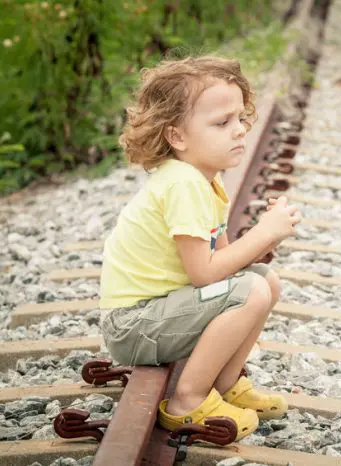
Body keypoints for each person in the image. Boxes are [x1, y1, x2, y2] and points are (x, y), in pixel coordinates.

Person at [98, 55, 301, 441]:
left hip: (160, 312)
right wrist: (262, 234)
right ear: (177, 136)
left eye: (240, 118)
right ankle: (186, 401)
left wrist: (268, 236)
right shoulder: (183, 185)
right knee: (253, 289)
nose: (239, 130)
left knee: (265, 281)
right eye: (222, 123)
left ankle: (223, 386)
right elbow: (204, 273)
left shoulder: (206, 181)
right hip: (134, 324)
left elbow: (227, 267)